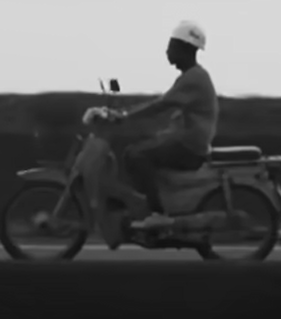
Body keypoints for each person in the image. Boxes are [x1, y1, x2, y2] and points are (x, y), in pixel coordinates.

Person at [86, 22, 219, 223]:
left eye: (172, 46)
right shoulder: (192, 76)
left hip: (190, 147)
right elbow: (165, 107)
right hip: (187, 141)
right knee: (140, 146)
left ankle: (156, 213)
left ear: (185, 48)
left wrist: (124, 115)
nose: (167, 51)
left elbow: (161, 104)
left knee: (135, 155)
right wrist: (127, 116)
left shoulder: (194, 78)